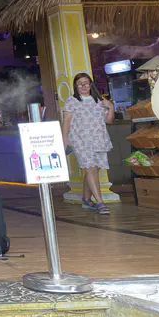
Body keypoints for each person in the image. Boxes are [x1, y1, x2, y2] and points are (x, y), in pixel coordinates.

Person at [61, 73, 115, 215]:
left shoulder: (99, 101)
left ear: (91, 84)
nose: (83, 86)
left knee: (93, 169)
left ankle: (86, 199)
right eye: (80, 83)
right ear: (76, 86)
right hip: (80, 140)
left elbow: (109, 120)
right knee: (90, 168)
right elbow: (66, 121)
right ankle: (99, 202)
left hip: (99, 139)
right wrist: (64, 139)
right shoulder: (71, 101)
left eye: (86, 83)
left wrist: (111, 107)